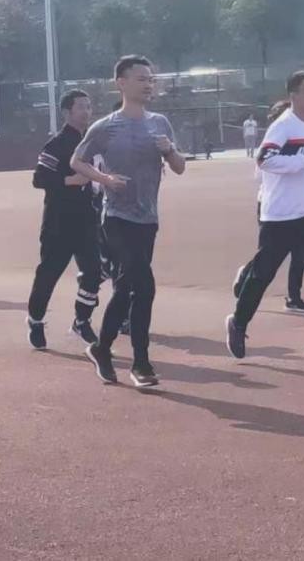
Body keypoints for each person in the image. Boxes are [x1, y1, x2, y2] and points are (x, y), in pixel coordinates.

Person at [71, 55, 187, 389]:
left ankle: (101, 348)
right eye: (141, 79)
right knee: (144, 286)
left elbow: (179, 167)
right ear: (121, 83)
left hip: (147, 218)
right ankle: (141, 362)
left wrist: (169, 151)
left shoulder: (160, 123)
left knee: (125, 288)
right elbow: (77, 161)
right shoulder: (106, 126)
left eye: (151, 79)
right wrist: (105, 179)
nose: (148, 85)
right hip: (116, 218)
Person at [226, 71, 304, 360]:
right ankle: (238, 323)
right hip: (279, 216)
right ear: (293, 95)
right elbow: (264, 160)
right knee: (263, 275)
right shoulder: (282, 125)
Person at [25, 90, 104, 349]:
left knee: (94, 272)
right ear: (67, 112)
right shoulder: (56, 144)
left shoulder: (93, 142)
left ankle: (82, 321)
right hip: (59, 221)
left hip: (87, 219)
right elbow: (39, 179)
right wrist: (70, 180)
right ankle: (36, 321)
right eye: (81, 106)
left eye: (89, 106)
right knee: (49, 273)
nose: (87, 111)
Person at [232, 100, 304, 315]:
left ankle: (294, 298)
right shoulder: (270, 145)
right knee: (269, 255)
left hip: (298, 207)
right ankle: (246, 277)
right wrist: (288, 171)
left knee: (299, 253)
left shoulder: (301, 140)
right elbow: (260, 175)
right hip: (273, 207)